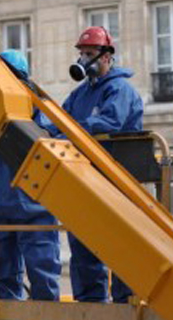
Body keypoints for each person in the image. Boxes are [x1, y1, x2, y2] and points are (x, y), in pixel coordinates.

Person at [37, 26, 143, 303]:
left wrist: (70, 130)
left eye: (90, 54)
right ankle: (91, 306)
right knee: (83, 247)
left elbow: (109, 122)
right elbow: (59, 119)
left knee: (119, 247)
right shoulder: (80, 94)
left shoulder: (120, 90)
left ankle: (124, 307)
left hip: (116, 184)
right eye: (82, 54)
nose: (84, 59)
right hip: (86, 183)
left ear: (107, 56)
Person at [0, 50, 61, 301]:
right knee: (2, 277)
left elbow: (46, 135)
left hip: (33, 205)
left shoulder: (39, 107)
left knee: (42, 274)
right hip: (2, 206)